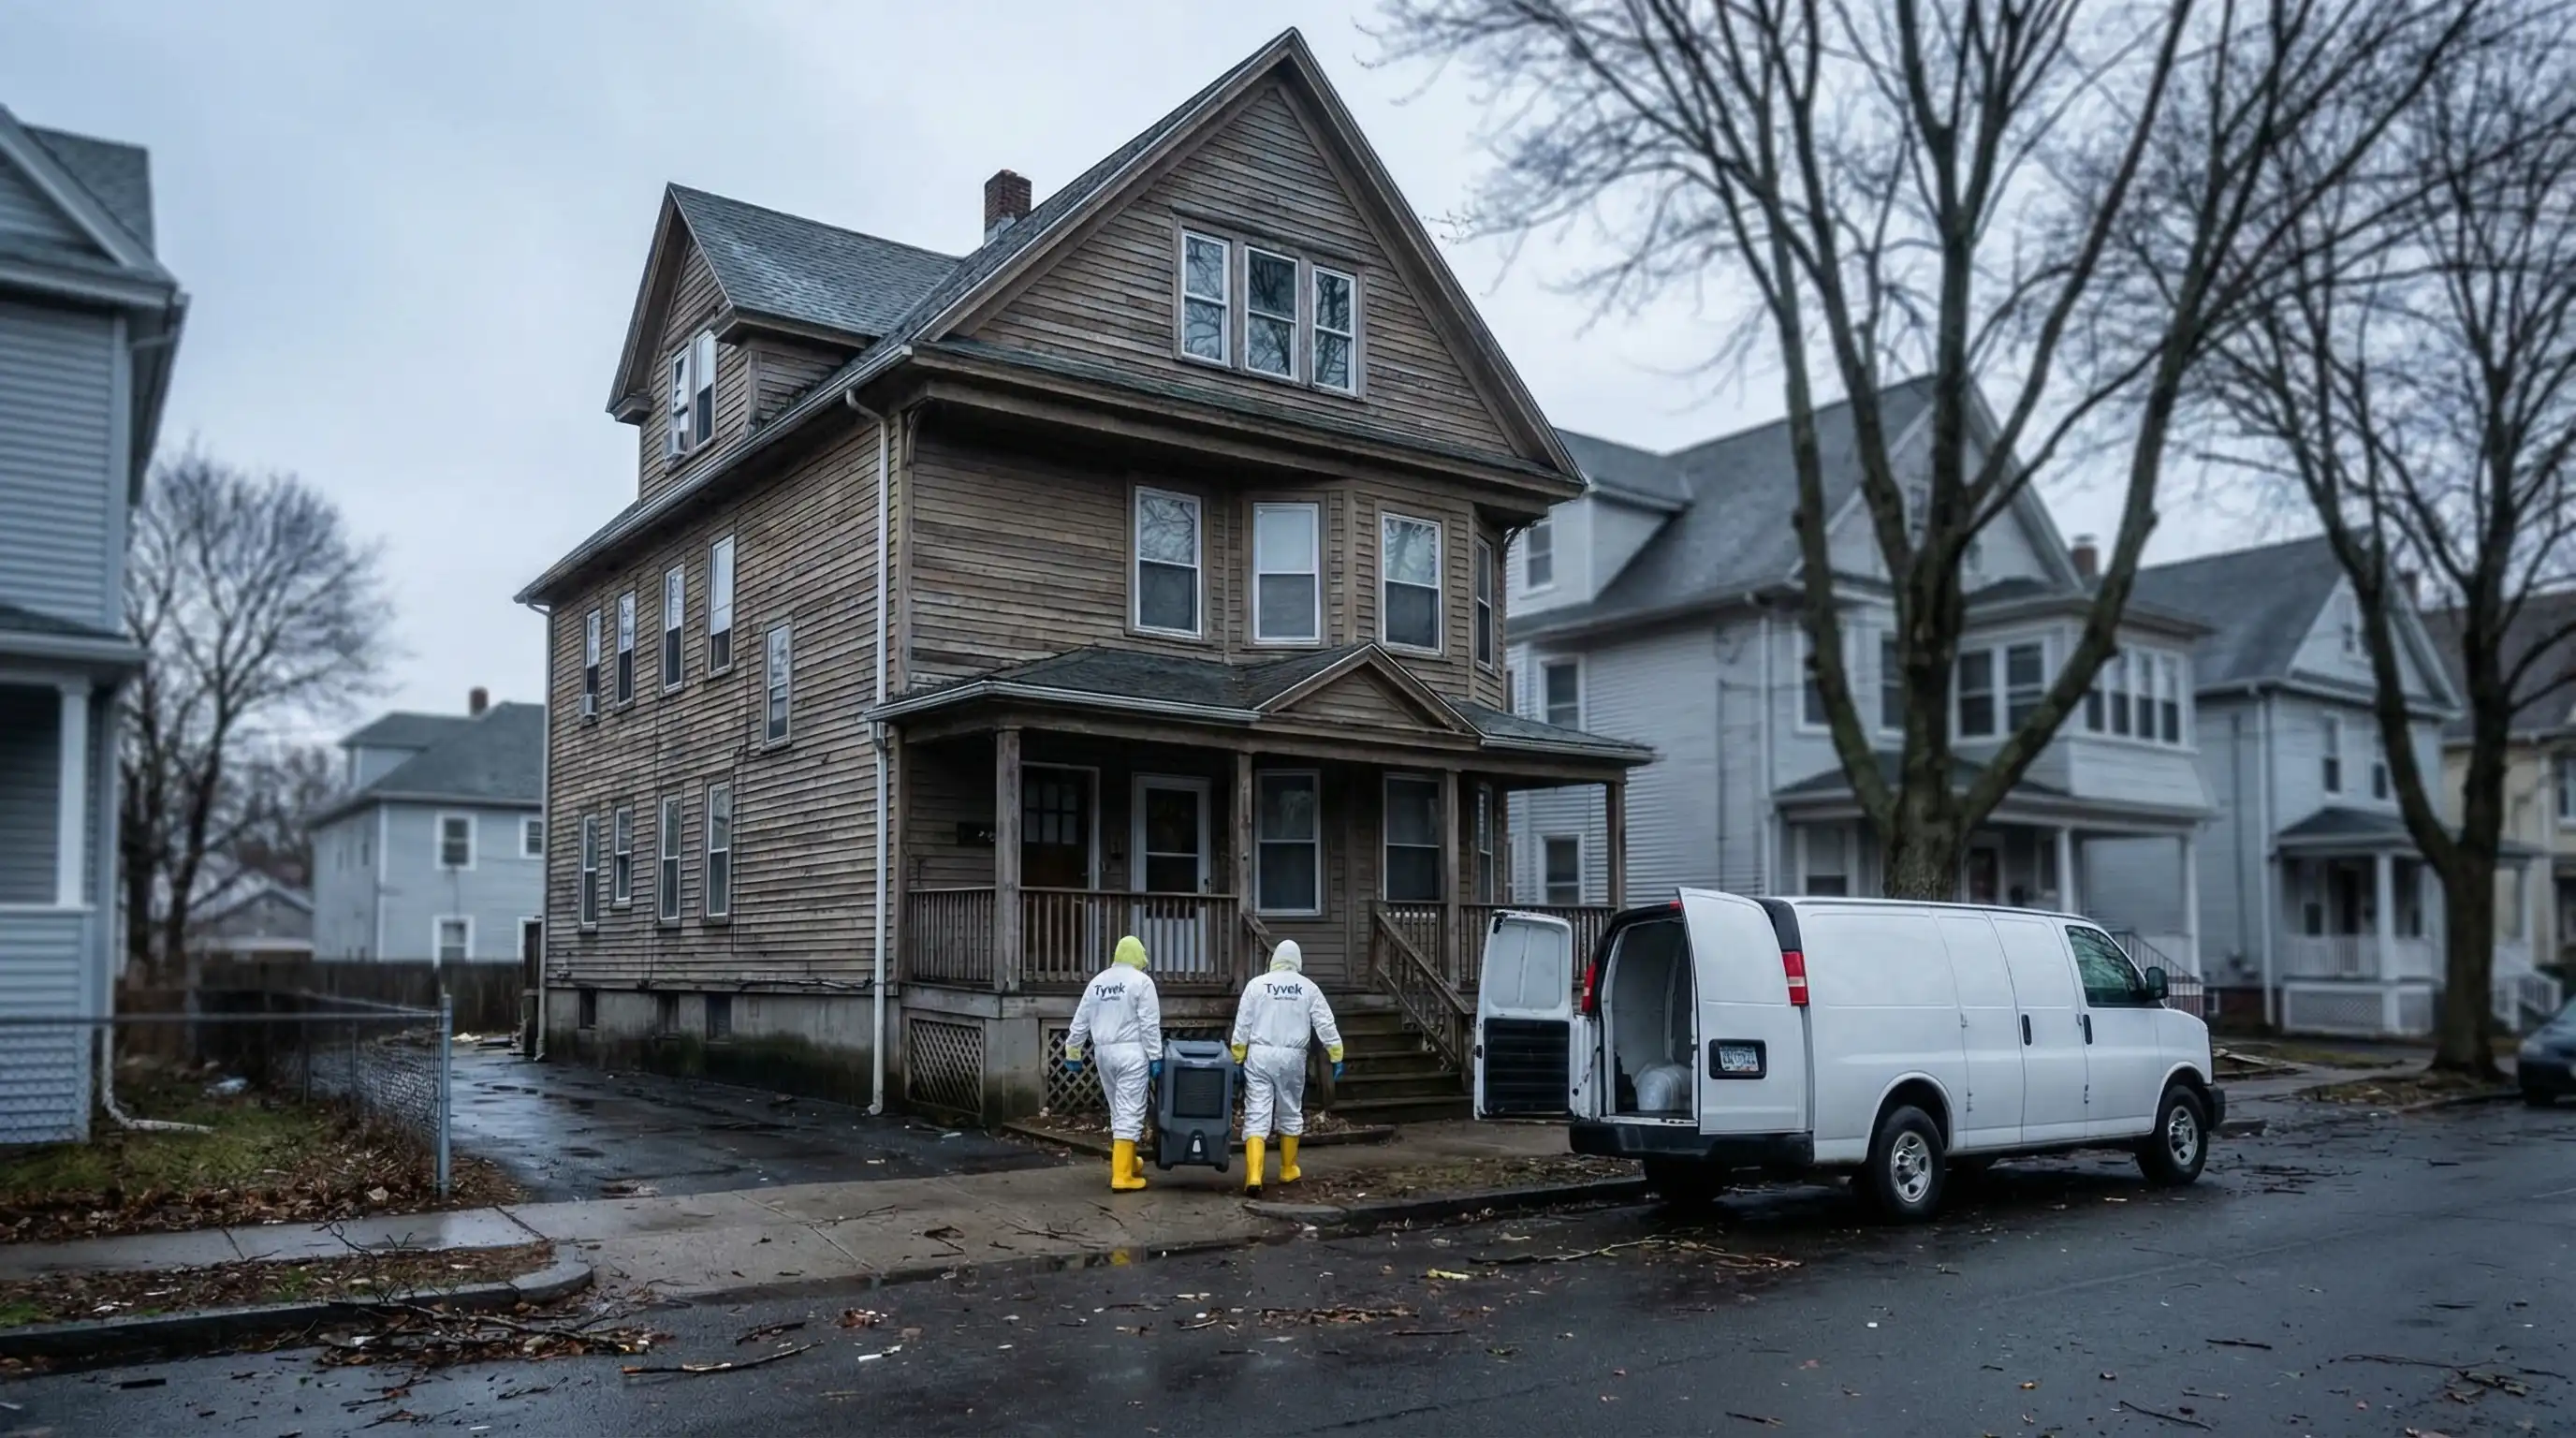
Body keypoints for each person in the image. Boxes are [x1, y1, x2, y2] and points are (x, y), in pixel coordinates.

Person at [1228, 939, 1343, 1194]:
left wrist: (1238, 1055)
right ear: (1297, 961)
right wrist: (1336, 1053)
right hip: (1292, 1057)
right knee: (1290, 1110)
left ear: (1274, 960)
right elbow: (1325, 1023)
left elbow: (1243, 1024)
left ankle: (1254, 1176)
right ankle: (1288, 1169)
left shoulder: (1256, 986)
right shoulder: (1308, 988)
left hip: (1259, 1055)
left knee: (1257, 1112)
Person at [1063, 934, 1163, 1193]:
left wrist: (1073, 1050)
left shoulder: (1098, 982)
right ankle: (1122, 1177)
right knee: (1130, 1111)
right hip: (1131, 1052)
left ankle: (1130, 1163)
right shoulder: (1142, 982)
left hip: (1103, 1053)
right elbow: (1149, 1024)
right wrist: (1155, 1056)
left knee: (1118, 1109)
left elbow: (1081, 1019)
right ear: (1138, 955)